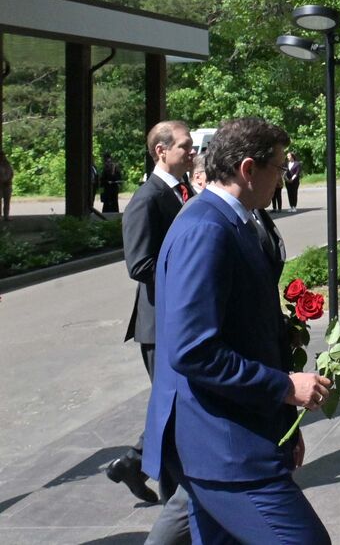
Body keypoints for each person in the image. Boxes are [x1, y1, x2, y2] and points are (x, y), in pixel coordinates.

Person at [142, 117, 332, 544]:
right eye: (279, 167)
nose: (283, 176)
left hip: (236, 435)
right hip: (222, 447)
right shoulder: (207, 228)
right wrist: (284, 386)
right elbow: (194, 351)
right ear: (249, 169)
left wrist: (287, 420)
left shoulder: (233, 220)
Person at [107, 121, 194, 505]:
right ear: (161, 151)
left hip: (180, 319)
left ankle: (135, 464)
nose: (192, 153)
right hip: (159, 324)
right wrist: (193, 269)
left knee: (174, 404)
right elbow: (139, 265)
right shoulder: (147, 198)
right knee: (172, 406)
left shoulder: (182, 191)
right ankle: (175, 496)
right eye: (185, 147)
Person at [0, 151, 12, 221]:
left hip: (7, 184)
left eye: (3, 155)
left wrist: (9, 179)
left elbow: (11, 173)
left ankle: (6, 216)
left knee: (7, 201)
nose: (2, 157)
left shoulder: (7, 164)